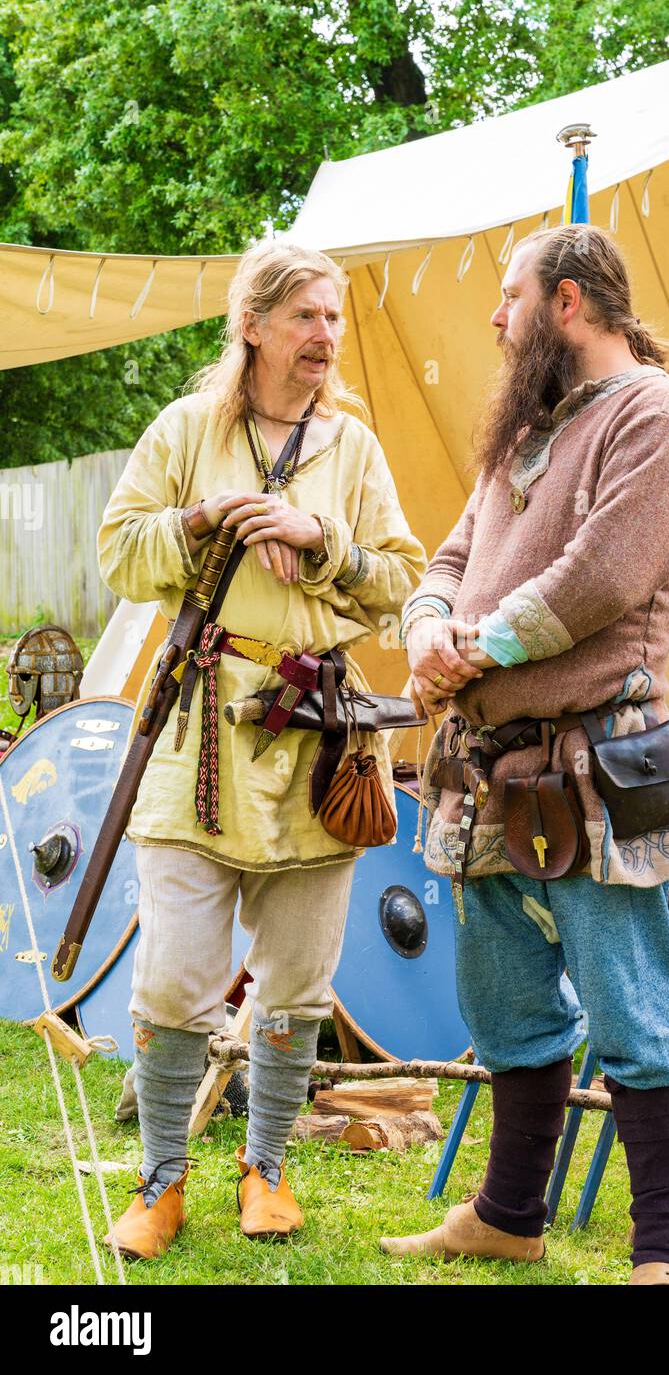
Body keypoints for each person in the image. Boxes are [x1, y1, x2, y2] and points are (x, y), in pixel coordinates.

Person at [382, 225, 669, 1285]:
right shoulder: (526, 426)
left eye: (507, 296)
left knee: (632, 1011)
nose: (493, 318)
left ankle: (660, 1253)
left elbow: (600, 578)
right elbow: (449, 554)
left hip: (595, 766)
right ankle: (507, 1215)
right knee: (507, 1009)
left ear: (565, 302)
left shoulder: (658, 421)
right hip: (485, 769)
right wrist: (426, 625)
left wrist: (469, 648)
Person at [98, 239, 425, 1259]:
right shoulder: (191, 429)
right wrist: (202, 519)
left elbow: (402, 578)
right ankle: (160, 1182)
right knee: (173, 978)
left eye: (331, 318)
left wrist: (319, 539)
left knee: (294, 979)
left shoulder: (352, 449)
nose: (325, 336)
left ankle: (267, 1170)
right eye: (305, 318)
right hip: (198, 734)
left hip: (317, 746)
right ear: (253, 323)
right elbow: (118, 548)